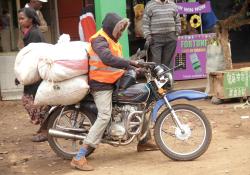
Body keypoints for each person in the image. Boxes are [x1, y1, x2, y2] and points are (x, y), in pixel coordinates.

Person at [70, 13, 158, 171]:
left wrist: (137, 68)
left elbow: (119, 63)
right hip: (100, 85)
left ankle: (143, 141)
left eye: (123, 28)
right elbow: (107, 58)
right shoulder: (99, 39)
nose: (122, 32)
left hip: (114, 81)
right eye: (120, 29)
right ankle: (79, 156)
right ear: (111, 27)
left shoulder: (114, 42)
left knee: (140, 103)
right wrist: (131, 62)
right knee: (104, 115)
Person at [17, 7, 49, 142]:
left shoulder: (34, 34)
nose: (20, 21)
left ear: (30, 19)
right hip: (33, 73)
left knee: (33, 102)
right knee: (34, 101)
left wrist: (23, 74)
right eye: (19, 19)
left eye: (22, 18)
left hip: (36, 74)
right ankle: (44, 128)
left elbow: (33, 57)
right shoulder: (29, 32)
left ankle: (46, 130)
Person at [142, 0, 181, 68]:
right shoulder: (150, 5)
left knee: (167, 62)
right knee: (156, 62)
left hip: (171, 37)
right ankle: (158, 78)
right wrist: (148, 36)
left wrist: (177, 32)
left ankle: (167, 78)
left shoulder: (173, 4)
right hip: (155, 38)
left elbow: (177, 20)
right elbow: (145, 23)